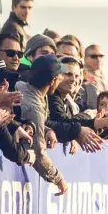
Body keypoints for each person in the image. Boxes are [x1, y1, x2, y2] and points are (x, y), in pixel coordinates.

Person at [16, 55, 68, 195]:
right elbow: (39, 153)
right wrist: (58, 179)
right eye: (59, 77)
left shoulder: (21, 85)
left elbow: (26, 119)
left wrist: (46, 129)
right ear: (52, 81)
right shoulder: (35, 109)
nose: (62, 79)